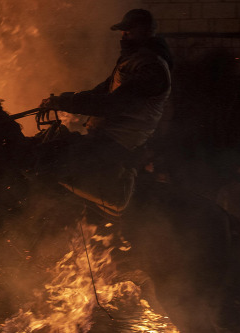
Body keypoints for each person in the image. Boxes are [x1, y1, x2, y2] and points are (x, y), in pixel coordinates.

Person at [37, 8, 172, 215]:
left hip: (117, 145)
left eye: (129, 30)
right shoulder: (131, 62)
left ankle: (118, 194)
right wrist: (61, 100)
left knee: (50, 167)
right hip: (104, 139)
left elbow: (113, 104)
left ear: (145, 31)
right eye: (122, 31)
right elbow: (99, 93)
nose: (123, 35)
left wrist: (62, 102)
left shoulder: (151, 69)